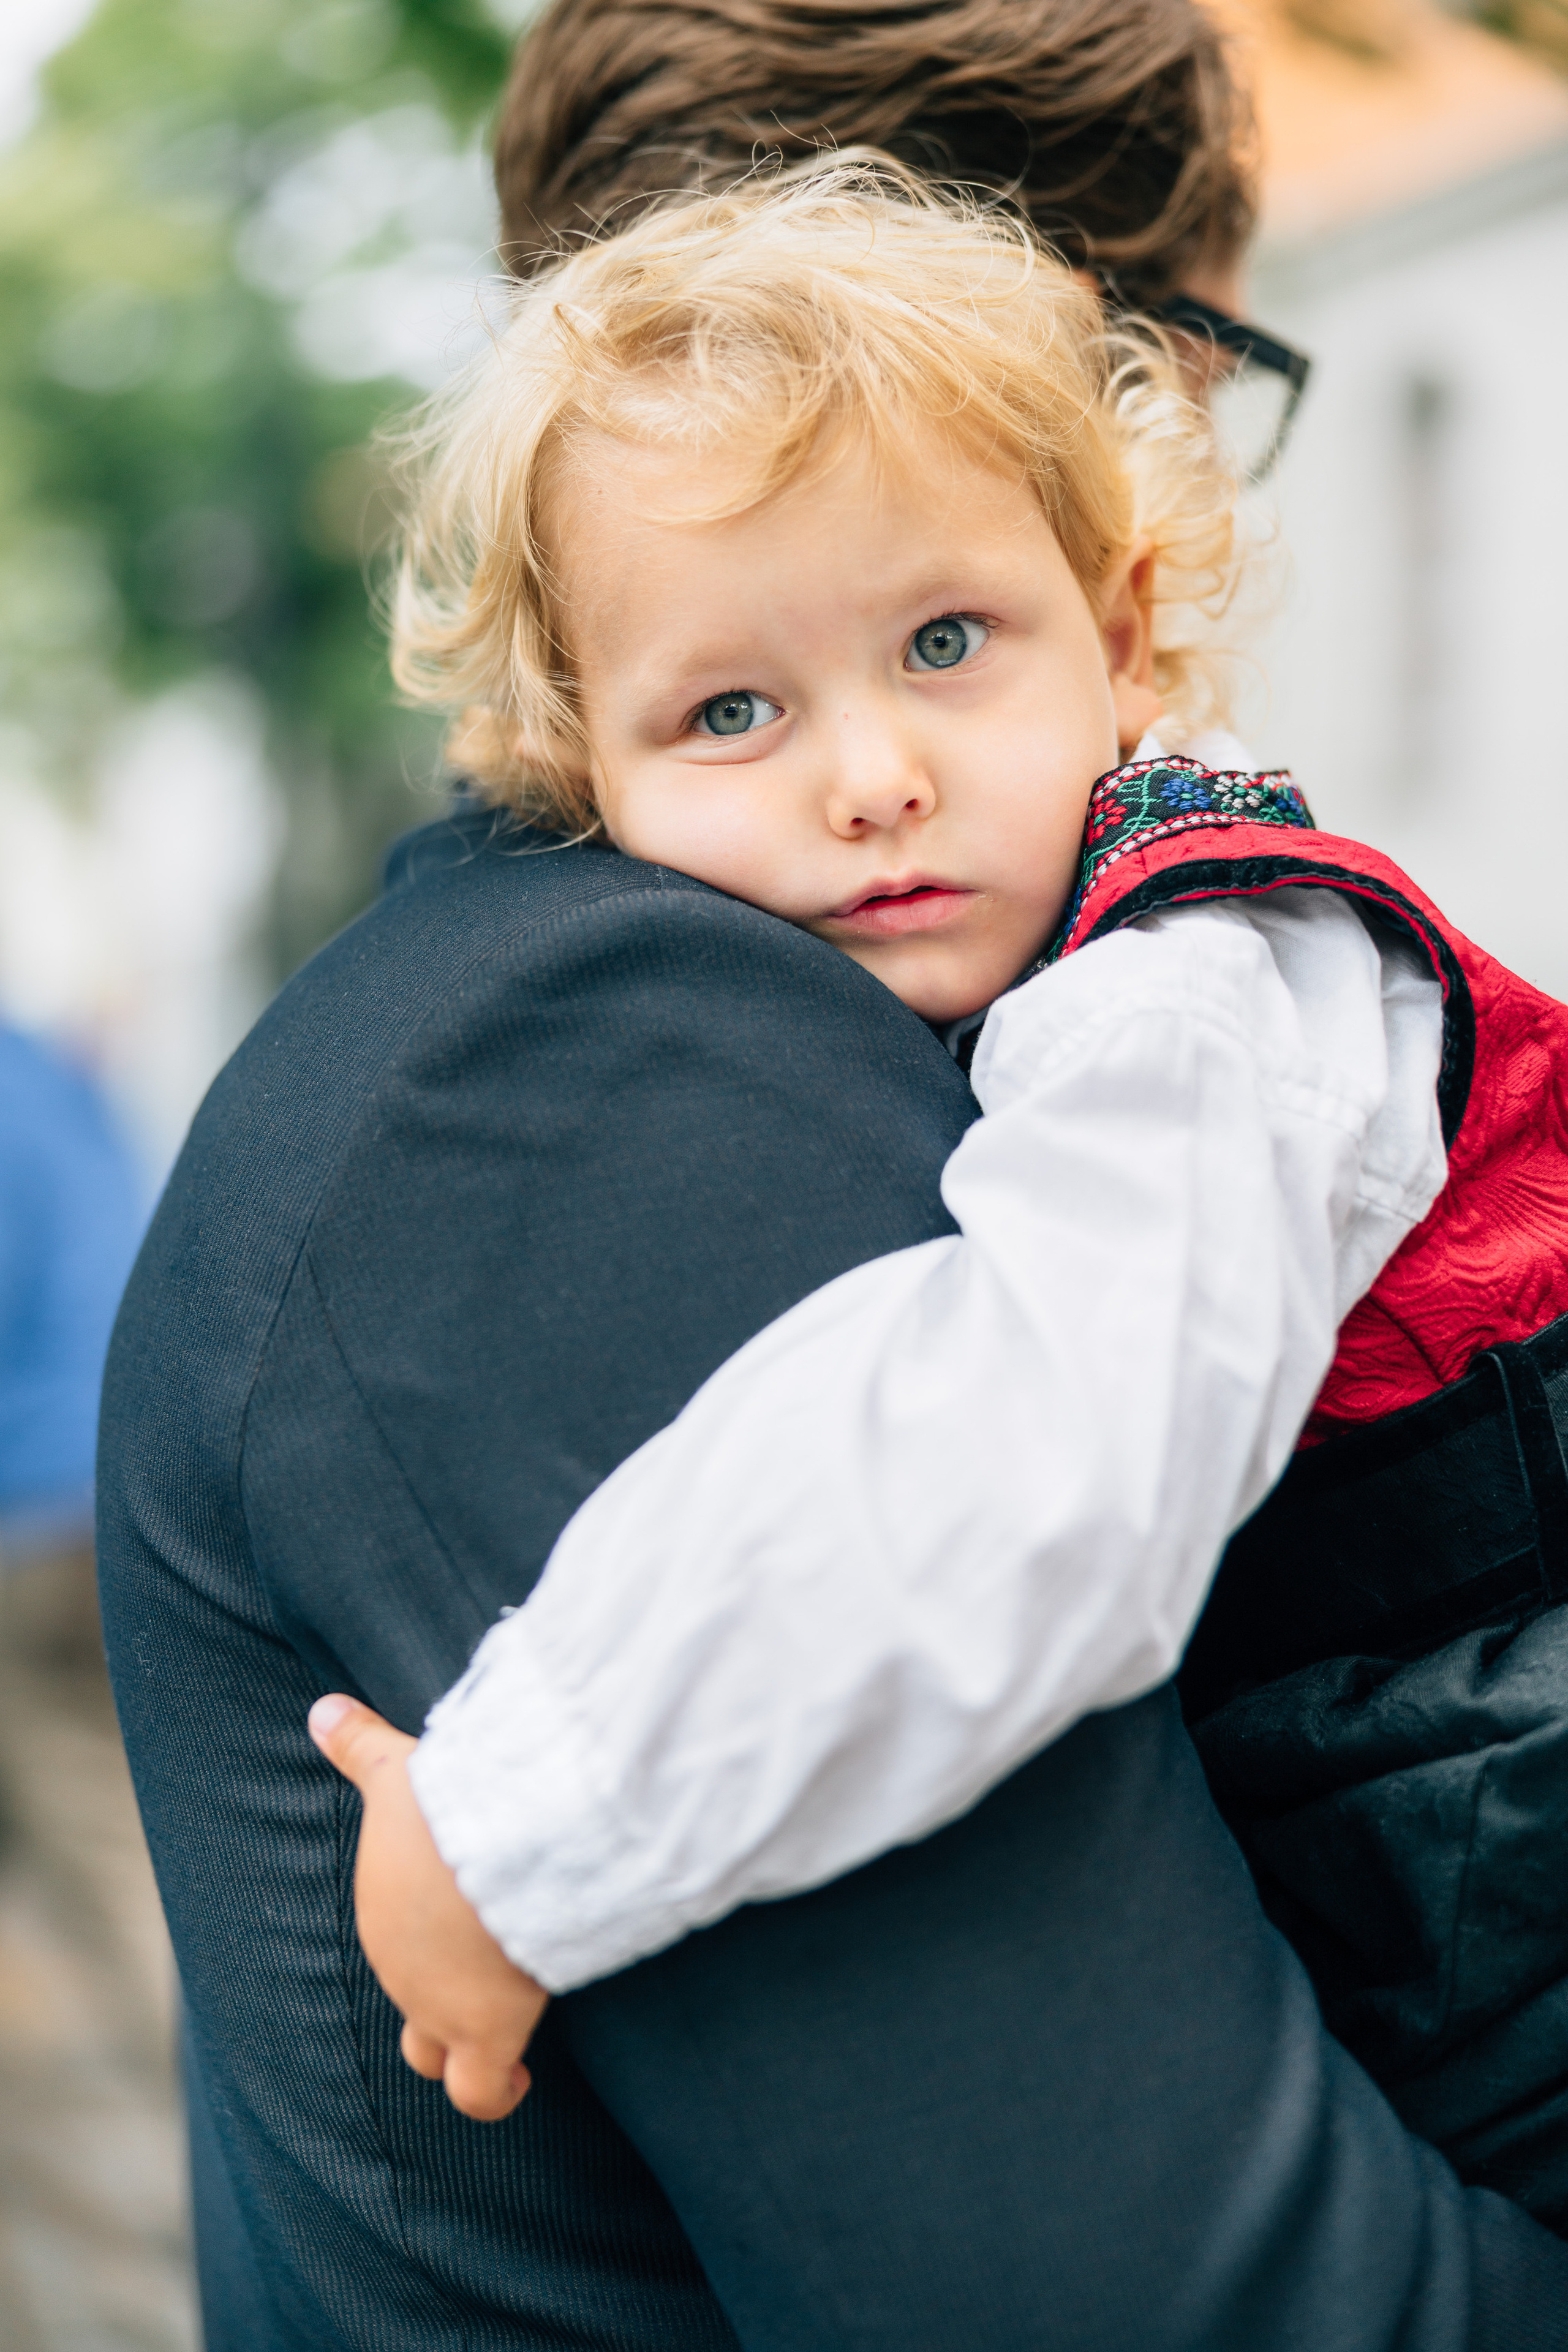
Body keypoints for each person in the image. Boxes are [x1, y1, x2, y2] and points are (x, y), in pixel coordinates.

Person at [95, 15, 1568, 2352]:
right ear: (1065, 365)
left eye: (947, 645)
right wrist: (523, 1819)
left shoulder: (1161, 985)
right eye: (1208, 370)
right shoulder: (598, 1075)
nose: (872, 777)